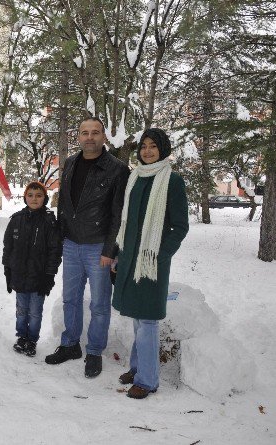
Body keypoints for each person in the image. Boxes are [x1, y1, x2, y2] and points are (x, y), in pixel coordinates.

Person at [45, 117, 130, 378]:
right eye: (84, 133)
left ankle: (94, 351)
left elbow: (119, 215)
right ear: (78, 136)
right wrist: (61, 237)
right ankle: (70, 345)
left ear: (104, 136)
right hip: (71, 243)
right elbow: (65, 205)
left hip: (98, 247)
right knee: (70, 299)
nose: (89, 137)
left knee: (100, 304)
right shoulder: (70, 163)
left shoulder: (117, 169)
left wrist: (109, 250)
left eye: (95, 132)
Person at [111, 129, 189, 399]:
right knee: (136, 316)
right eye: (143, 146)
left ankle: (148, 380)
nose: (146, 151)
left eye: (153, 146)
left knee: (148, 320)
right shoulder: (135, 177)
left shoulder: (173, 181)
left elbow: (180, 227)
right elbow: (128, 222)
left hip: (151, 261)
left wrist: (161, 254)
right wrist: (121, 254)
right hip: (131, 258)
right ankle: (137, 367)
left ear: (163, 149)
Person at [3, 181, 62, 357]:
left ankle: (32, 340)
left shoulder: (50, 222)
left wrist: (49, 275)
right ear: (24, 197)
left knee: (35, 311)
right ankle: (22, 336)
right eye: (30, 195)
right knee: (21, 309)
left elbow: (54, 251)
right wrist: (8, 269)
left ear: (44, 198)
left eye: (38, 195)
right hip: (20, 275)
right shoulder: (16, 219)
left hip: (39, 277)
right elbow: (8, 246)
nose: (34, 199)